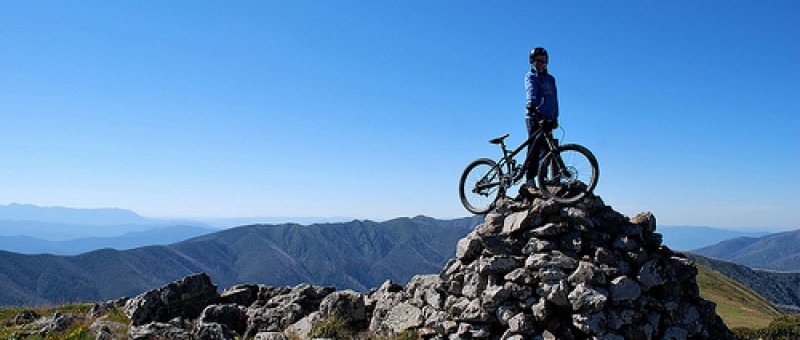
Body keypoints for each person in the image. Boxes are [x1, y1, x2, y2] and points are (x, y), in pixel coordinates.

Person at [523, 47, 559, 195]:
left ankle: (543, 181)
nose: (540, 63)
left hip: (548, 119)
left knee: (547, 150)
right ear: (532, 62)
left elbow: (554, 99)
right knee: (534, 148)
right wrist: (531, 104)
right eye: (537, 61)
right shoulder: (531, 77)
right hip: (534, 117)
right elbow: (531, 91)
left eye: (543, 60)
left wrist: (555, 117)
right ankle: (530, 181)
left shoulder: (551, 79)